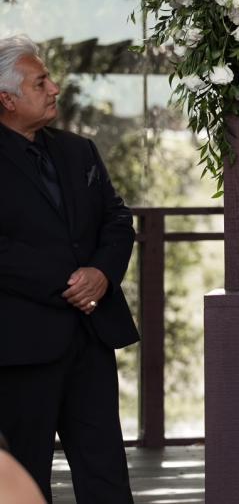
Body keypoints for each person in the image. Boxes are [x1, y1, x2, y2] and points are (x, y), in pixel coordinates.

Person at [0, 35, 138, 503]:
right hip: (20, 346)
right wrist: (70, 283)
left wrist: (101, 273)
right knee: (26, 477)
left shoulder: (79, 150)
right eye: (41, 82)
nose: (55, 87)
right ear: (7, 98)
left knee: (106, 475)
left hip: (91, 335)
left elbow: (117, 220)